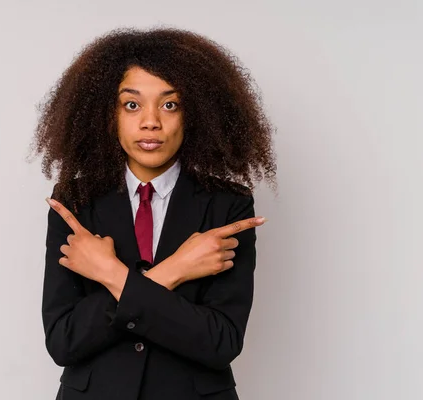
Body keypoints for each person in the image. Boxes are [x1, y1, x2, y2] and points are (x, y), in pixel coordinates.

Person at [32, 27, 277, 400]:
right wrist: (175, 270)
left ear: (194, 113)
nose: (151, 122)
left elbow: (221, 342)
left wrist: (111, 275)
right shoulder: (74, 203)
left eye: (169, 104)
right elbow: (64, 341)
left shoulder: (229, 206)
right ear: (106, 113)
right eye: (132, 104)